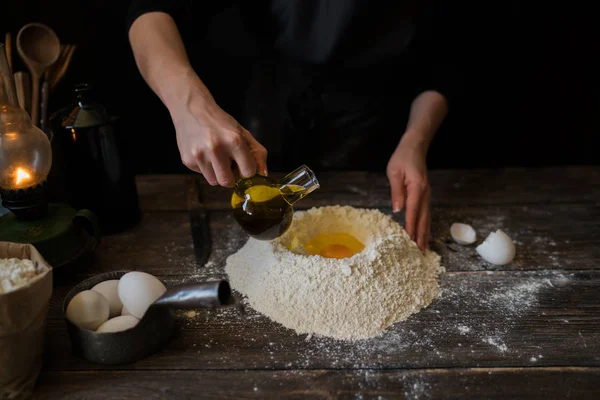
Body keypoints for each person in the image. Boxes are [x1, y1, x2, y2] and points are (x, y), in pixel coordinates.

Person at [126, 1, 461, 252]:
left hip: (373, 118)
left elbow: (443, 58)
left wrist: (415, 140)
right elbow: (149, 10)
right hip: (265, 100)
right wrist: (189, 106)